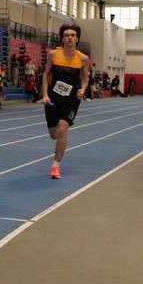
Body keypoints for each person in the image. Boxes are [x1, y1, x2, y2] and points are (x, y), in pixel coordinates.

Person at [40, 24, 91, 179]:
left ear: (77, 39)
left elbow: (85, 78)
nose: (70, 38)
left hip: (72, 98)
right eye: (67, 35)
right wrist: (45, 95)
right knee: (54, 134)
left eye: (73, 35)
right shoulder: (53, 54)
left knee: (62, 129)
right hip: (53, 97)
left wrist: (83, 89)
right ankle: (57, 148)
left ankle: (55, 166)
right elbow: (46, 74)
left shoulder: (83, 58)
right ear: (62, 38)